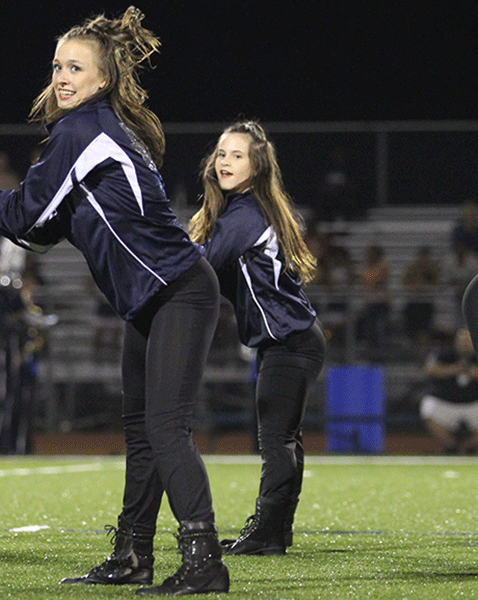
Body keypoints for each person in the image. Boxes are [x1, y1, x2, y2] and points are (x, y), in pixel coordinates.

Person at [0, 7, 229, 595]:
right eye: (57, 65)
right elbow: (40, 230)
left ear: (102, 79)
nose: (61, 76)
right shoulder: (92, 128)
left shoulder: (81, 130)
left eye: (75, 67)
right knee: (142, 429)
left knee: (164, 427)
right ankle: (133, 554)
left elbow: (26, 214)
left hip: (178, 292)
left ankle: (204, 560)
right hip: (152, 298)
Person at [188, 121, 326, 555]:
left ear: (257, 165)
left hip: (290, 341)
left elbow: (200, 266)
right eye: (221, 154)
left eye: (237, 155)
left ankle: (267, 532)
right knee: (285, 439)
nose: (225, 162)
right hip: (290, 340)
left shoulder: (245, 215)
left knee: (276, 441)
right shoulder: (241, 211)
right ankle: (275, 532)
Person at [419, 327, 478, 454]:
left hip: (474, 402)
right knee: (428, 408)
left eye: (469, 338)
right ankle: (452, 447)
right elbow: (429, 369)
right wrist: (454, 369)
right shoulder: (444, 353)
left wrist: (474, 373)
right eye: (462, 338)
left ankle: (469, 447)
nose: (465, 342)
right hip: (445, 400)